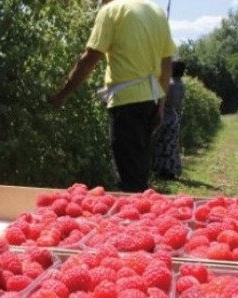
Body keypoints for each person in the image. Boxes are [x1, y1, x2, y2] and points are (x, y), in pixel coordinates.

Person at [51, 0, 176, 193]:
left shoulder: (111, 11)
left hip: (127, 102)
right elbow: (166, 64)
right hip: (151, 100)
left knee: (129, 178)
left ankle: (133, 219)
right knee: (139, 170)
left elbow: (90, 58)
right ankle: (142, 215)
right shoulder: (156, 11)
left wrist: (62, 94)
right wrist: (161, 104)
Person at [152, 60, 186, 180]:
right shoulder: (181, 84)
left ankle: (162, 171)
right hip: (174, 116)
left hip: (165, 116)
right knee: (171, 145)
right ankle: (171, 170)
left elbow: (159, 99)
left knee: (162, 144)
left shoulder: (169, 84)